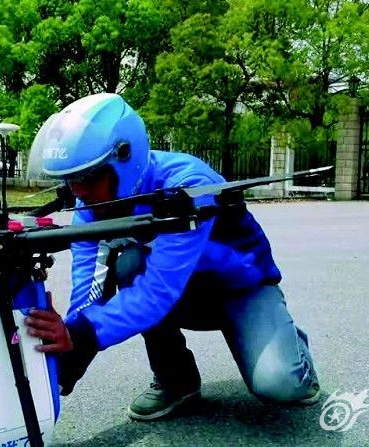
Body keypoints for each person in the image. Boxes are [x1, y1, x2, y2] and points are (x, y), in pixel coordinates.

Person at [24, 93, 320, 422]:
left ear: (125, 158)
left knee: (281, 384)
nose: (79, 192)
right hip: (183, 296)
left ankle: (288, 345)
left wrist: (80, 336)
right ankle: (176, 380)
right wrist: (68, 351)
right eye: (72, 180)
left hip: (242, 291)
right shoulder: (91, 206)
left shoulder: (187, 186)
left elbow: (157, 290)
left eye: (89, 177)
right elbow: (89, 288)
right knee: (130, 264)